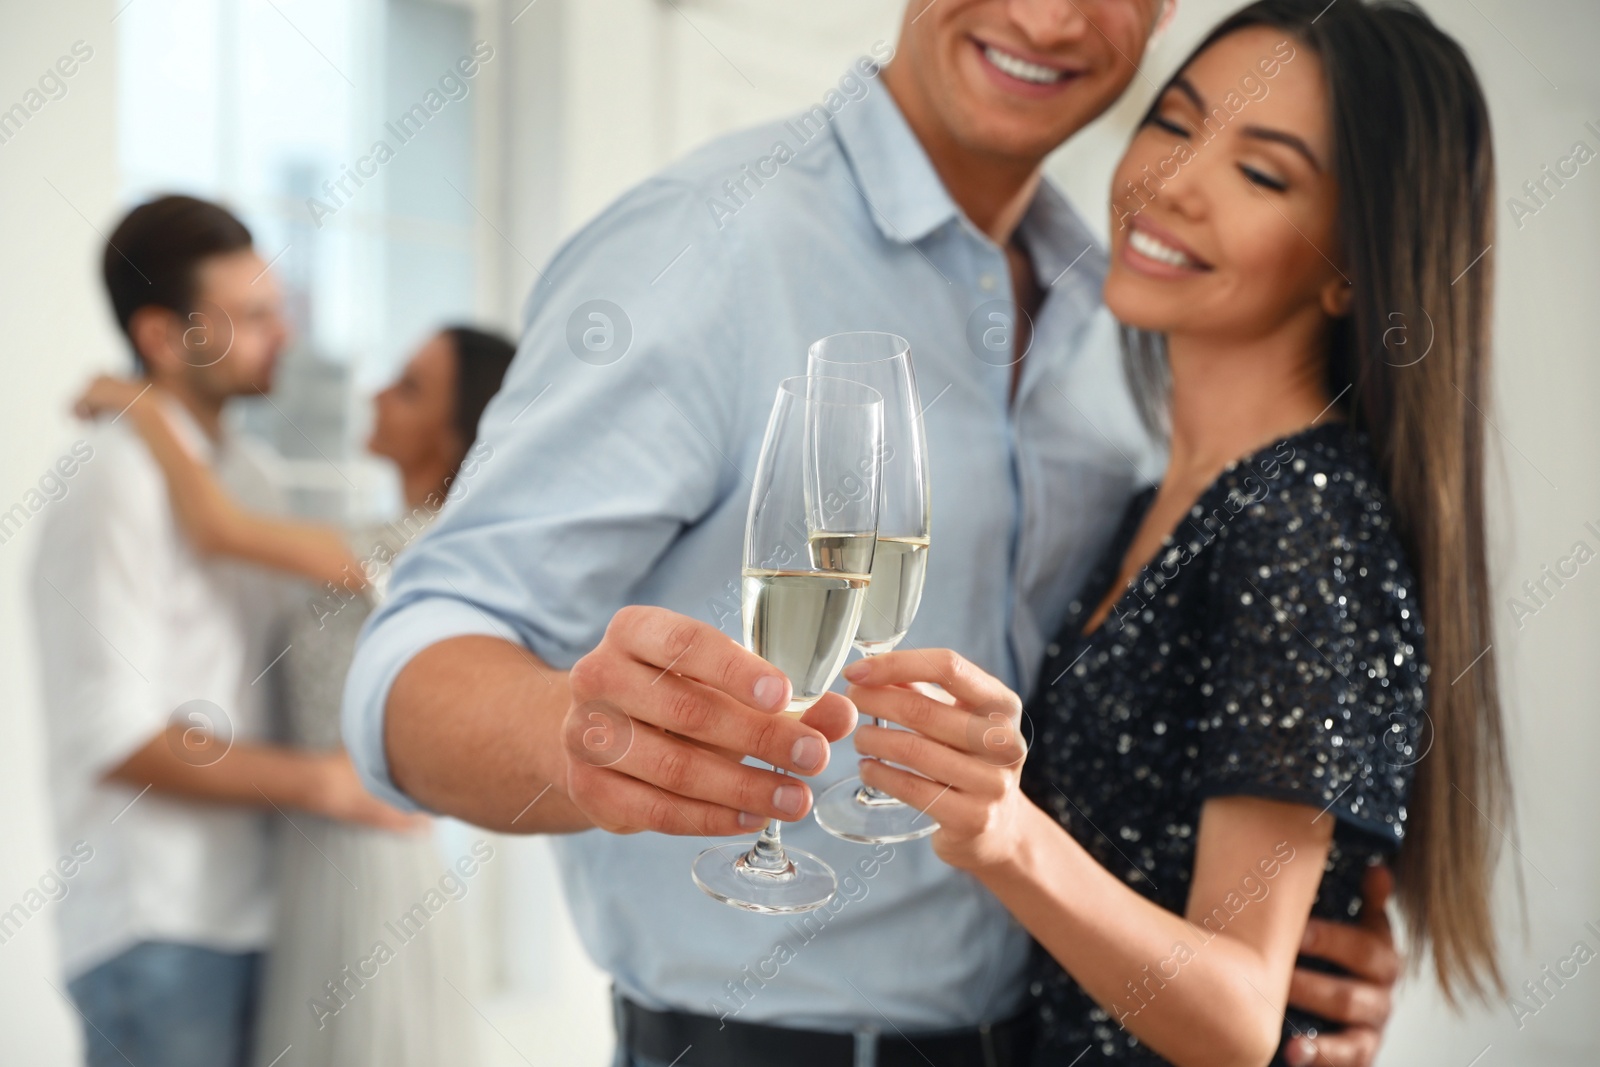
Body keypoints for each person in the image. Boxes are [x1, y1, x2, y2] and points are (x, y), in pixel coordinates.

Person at [343, 3, 1401, 1065]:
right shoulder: (703, 240)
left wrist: (1291, 942)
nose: (1044, 15)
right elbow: (407, 662)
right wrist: (581, 743)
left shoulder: (1128, 307)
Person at [838, 1, 1510, 1063]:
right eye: (1175, 123)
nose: (1173, 182)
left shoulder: (1301, 520)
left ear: (1354, 265)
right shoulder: (1158, 489)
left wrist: (1004, 830)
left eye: (1262, 173)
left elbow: (1242, 1014)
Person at [30, 194, 413, 1067]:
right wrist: (325, 783)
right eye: (251, 316)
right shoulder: (111, 482)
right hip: (159, 926)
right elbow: (118, 737)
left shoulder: (249, 476)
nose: (285, 333)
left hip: (261, 911)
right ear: (166, 337)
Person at [71, 323, 517, 1067]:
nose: (373, 393)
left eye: (407, 387)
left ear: (453, 430)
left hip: (368, 855)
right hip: (312, 849)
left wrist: (145, 409)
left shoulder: (424, 548)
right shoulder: (373, 538)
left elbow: (218, 527)